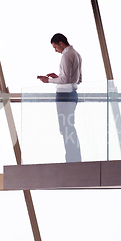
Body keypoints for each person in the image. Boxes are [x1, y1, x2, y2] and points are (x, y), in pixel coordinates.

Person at [38, 33, 82, 162]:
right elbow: (77, 79)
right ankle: (74, 157)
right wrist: (57, 77)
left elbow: (66, 79)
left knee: (65, 128)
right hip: (73, 94)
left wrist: (49, 81)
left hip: (64, 95)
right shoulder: (77, 54)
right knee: (69, 127)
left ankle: (71, 158)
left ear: (61, 43)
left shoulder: (66, 55)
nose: (55, 50)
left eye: (55, 47)